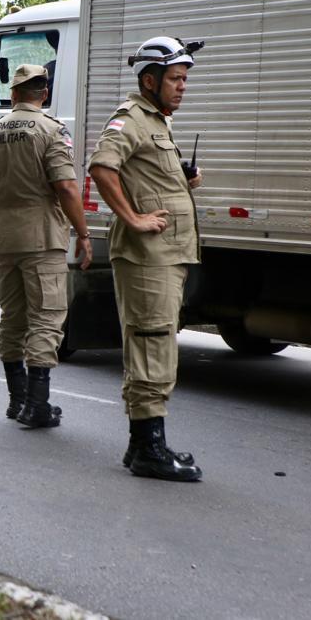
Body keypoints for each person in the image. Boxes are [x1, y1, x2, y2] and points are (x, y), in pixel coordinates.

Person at [88, 36, 205, 482]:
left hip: (166, 255)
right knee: (152, 342)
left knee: (154, 341)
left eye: (185, 79)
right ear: (150, 80)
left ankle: (142, 445)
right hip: (147, 257)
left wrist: (184, 182)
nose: (183, 87)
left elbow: (147, 176)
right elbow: (102, 167)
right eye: (176, 79)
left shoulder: (159, 122)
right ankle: (149, 450)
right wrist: (134, 218)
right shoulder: (131, 117)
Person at [0, 64, 93, 428]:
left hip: (4, 240)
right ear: (44, 93)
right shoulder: (51, 130)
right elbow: (67, 187)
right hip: (42, 239)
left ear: (13, 94)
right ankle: (37, 406)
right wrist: (84, 234)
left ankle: (17, 400)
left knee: (12, 320)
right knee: (46, 318)